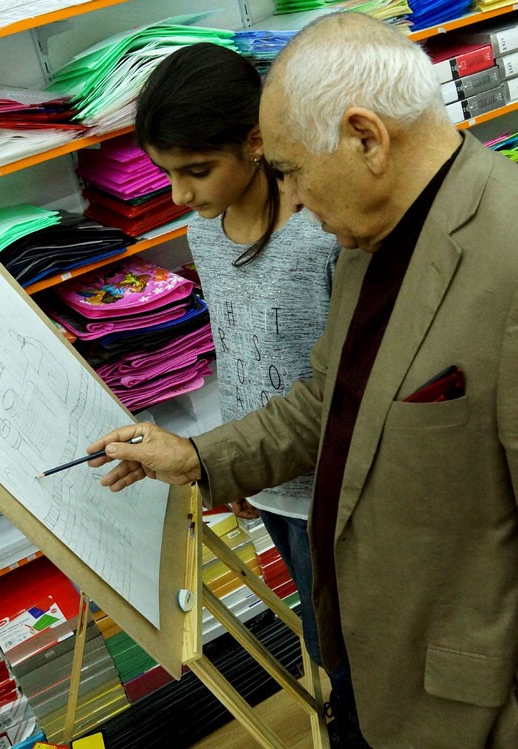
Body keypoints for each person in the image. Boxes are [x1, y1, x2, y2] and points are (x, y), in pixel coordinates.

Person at [88, 12, 518, 749]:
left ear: (365, 139)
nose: (288, 199)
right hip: (384, 662)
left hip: (468, 707)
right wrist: (197, 458)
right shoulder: (367, 235)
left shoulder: (503, 257)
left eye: (289, 170)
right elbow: (330, 401)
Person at [133, 42, 357, 743]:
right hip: (264, 480)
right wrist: (227, 465)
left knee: (351, 650)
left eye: (196, 171)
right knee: (321, 641)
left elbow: (342, 381)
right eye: (167, 174)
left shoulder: (322, 234)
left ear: (255, 141)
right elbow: (236, 347)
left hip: (333, 490)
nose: (180, 195)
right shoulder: (204, 233)